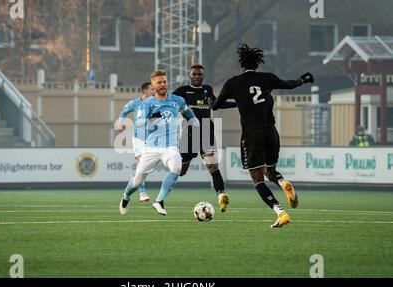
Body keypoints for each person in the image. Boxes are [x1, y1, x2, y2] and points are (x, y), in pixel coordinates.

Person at [209, 44, 314, 228]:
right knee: (270, 170)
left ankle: (280, 212)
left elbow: (216, 105)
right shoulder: (267, 78)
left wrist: (226, 102)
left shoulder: (233, 83)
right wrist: (303, 79)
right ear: (257, 64)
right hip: (271, 132)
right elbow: (289, 84)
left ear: (242, 64)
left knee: (257, 179)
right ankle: (283, 183)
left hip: (252, 135)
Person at [119, 70, 199, 216]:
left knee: (176, 167)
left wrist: (194, 121)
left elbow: (187, 111)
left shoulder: (177, 100)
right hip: (151, 148)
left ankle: (159, 201)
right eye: (159, 82)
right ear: (153, 86)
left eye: (164, 81)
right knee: (136, 182)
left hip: (170, 147)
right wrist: (153, 117)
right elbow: (140, 123)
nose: (163, 84)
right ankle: (125, 197)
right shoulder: (147, 104)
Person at [173, 64, 236, 212]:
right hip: (188, 133)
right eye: (194, 74)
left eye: (199, 74)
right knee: (182, 171)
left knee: (212, 165)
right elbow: (170, 104)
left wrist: (237, 103)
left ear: (203, 76)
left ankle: (221, 195)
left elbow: (215, 105)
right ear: (190, 75)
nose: (197, 77)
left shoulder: (207, 89)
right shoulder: (182, 91)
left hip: (206, 130)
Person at [116, 82, 154, 203]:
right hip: (138, 138)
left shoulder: (155, 102)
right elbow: (124, 112)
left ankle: (134, 179)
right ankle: (142, 192)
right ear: (145, 91)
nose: (154, 90)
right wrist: (121, 122)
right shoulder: (135, 103)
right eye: (152, 89)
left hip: (151, 139)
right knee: (142, 163)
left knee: (145, 167)